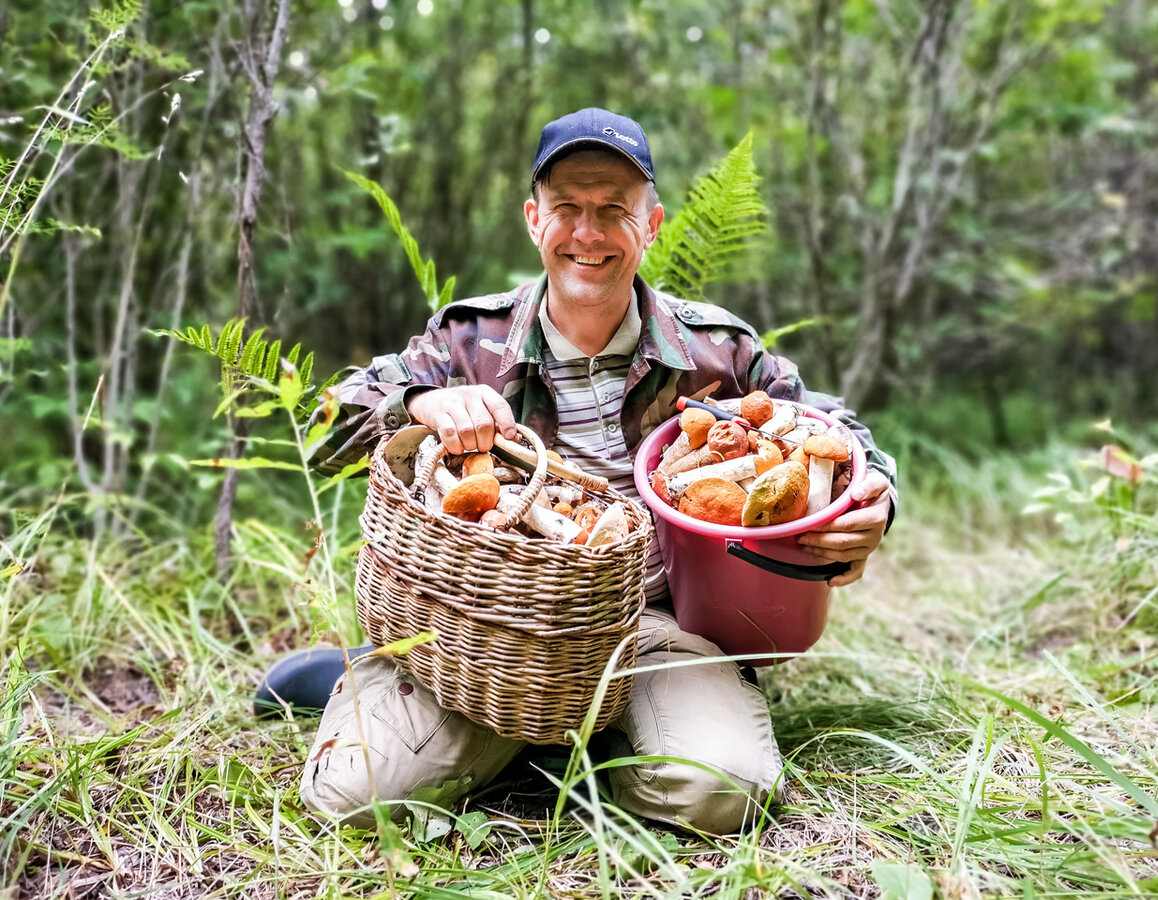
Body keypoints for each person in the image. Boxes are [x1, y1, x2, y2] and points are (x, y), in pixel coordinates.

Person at [264, 108, 897, 835]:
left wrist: (877, 502)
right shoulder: (468, 340)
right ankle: (414, 692)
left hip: (655, 627)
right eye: (566, 207)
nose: (588, 233)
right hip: (493, 629)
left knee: (721, 794)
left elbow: (835, 431)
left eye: (613, 210)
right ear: (534, 220)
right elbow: (323, 430)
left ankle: (579, 738)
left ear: (650, 225)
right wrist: (420, 402)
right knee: (354, 800)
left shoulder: (717, 350)